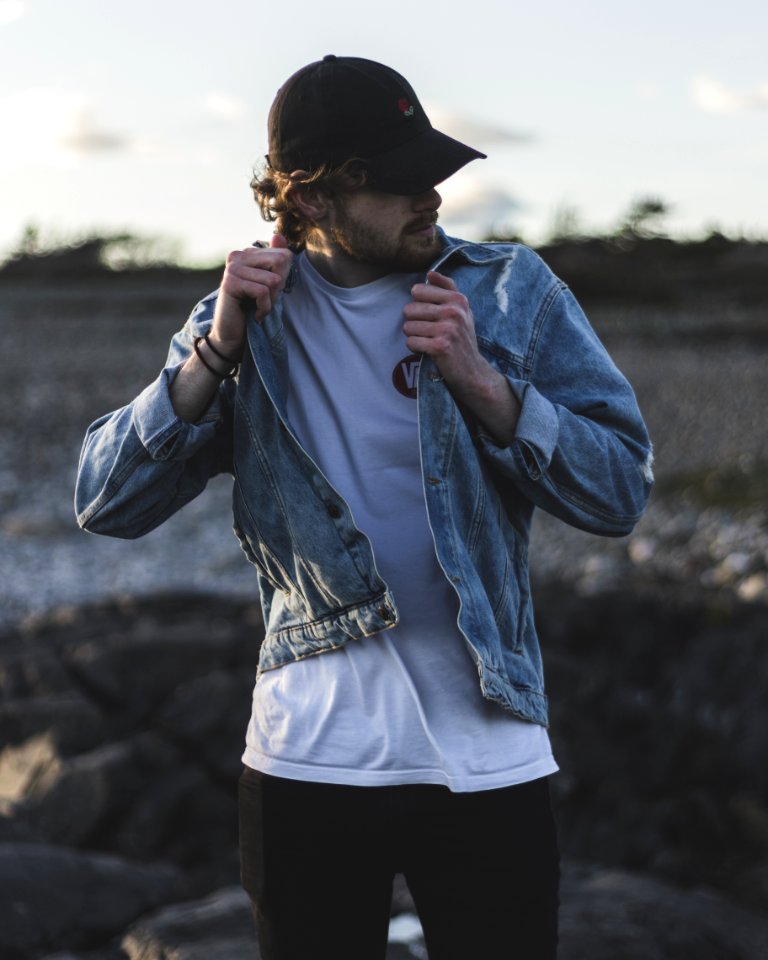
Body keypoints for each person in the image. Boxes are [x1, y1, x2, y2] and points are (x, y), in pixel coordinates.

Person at [75, 55, 653, 960]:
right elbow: (103, 499)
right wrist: (214, 355)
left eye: (432, 172)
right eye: (395, 181)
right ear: (309, 199)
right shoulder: (243, 321)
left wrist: (485, 386)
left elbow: (620, 489)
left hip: (490, 755)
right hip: (307, 762)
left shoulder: (507, 293)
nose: (428, 196)